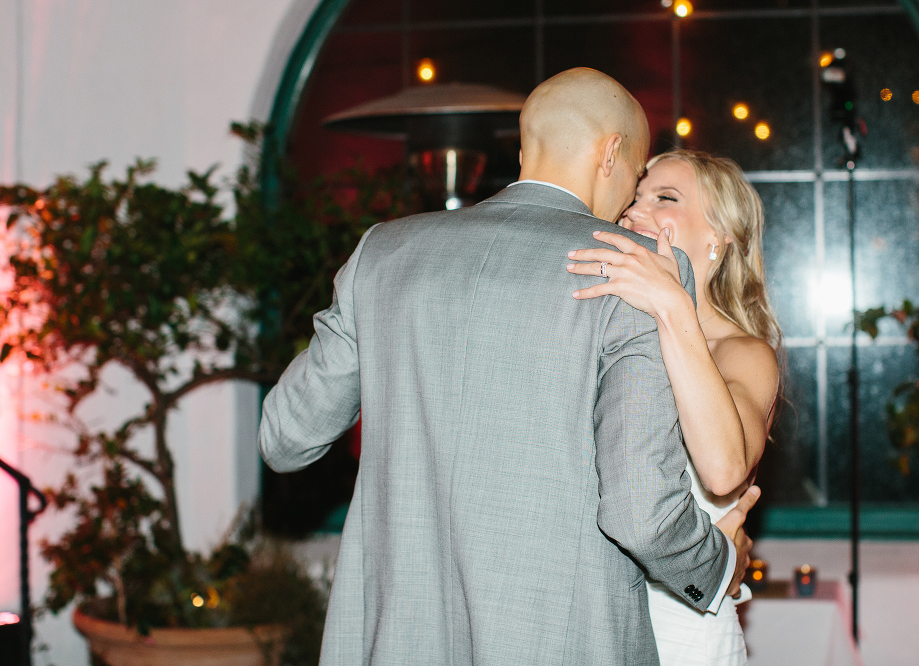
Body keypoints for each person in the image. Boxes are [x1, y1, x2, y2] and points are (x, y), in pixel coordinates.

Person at [259, 68, 758, 665]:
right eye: (635, 176)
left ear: (525, 151)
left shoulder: (382, 253)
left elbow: (284, 437)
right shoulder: (631, 267)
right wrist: (719, 564)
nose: (630, 200)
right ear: (613, 153)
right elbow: (639, 512)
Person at [566, 150, 782, 665]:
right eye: (633, 196)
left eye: (665, 198)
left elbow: (725, 469)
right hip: (590, 630)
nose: (634, 209)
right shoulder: (602, 332)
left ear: (718, 236)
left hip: (686, 635)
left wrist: (672, 303)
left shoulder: (745, 353)